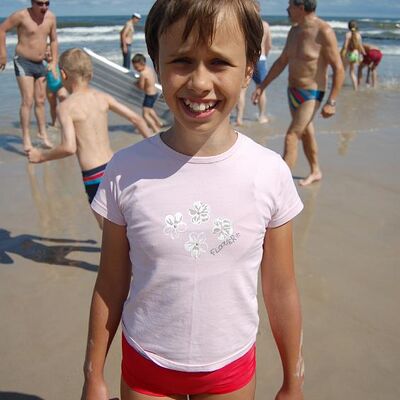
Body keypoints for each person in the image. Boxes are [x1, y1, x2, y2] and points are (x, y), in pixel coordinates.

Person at [81, 1, 304, 400]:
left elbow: (281, 288)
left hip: (229, 368)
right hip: (146, 363)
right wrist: (93, 375)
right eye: (182, 61)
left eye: (219, 62)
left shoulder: (269, 172)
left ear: (248, 67)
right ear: (157, 62)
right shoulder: (125, 168)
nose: (199, 82)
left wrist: (292, 381)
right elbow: (111, 282)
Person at [26, 48, 151, 228]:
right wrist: (153, 148)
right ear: (90, 74)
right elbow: (137, 119)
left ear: (63, 74)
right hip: (115, 167)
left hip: (94, 175)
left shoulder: (66, 107)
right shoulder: (102, 97)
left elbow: (69, 147)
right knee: (124, 222)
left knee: (107, 229)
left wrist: (40, 156)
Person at [252, 0, 344, 186]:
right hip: (292, 91)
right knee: (306, 133)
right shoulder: (294, 31)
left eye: (290, 6)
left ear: (301, 8)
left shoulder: (324, 31)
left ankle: (280, 184)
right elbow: (282, 61)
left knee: (292, 135)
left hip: (312, 93)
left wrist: (331, 102)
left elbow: (338, 68)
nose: (287, 10)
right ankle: (315, 171)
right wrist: (262, 86)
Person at [0, 0, 58, 151]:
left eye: (47, 3)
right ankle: (26, 138)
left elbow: (53, 40)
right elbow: (2, 29)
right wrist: (3, 54)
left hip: (41, 63)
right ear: (32, 2)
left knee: (41, 100)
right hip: (23, 61)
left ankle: (42, 134)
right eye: (40, 3)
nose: (44, 7)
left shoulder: (51, 17)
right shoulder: (21, 15)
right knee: (28, 100)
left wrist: (54, 62)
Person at [235, 1, 271, 125]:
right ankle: (262, 116)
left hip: (246, 59)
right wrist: (265, 56)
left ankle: (239, 118)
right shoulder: (265, 25)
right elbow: (268, 45)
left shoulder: (243, 24)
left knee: (242, 90)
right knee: (261, 88)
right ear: (259, 10)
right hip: (260, 59)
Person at [132, 53, 163, 133]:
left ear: (142, 64)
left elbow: (141, 86)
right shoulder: (149, 69)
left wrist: (136, 83)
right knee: (150, 109)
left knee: (145, 114)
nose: (135, 69)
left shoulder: (143, 74)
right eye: (134, 67)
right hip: (154, 93)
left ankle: (156, 129)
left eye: (136, 67)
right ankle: (159, 123)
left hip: (149, 95)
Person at [44, 43, 68, 126]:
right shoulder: (43, 64)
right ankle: (54, 122)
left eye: (50, 51)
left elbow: (65, 72)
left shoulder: (58, 62)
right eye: (46, 51)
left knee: (63, 100)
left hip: (60, 85)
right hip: (49, 88)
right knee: (53, 106)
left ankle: (65, 121)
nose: (49, 53)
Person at [341, 20, 365, 90]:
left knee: (343, 71)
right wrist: (363, 54)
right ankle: (355, 88)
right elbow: (360, 46)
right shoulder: (358, 35)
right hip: (356, 54)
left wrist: (342, 52)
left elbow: (345, 46)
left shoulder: (348, 34)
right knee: (352, 72)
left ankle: (339, 86)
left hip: (349, 54)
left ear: (348, 27)